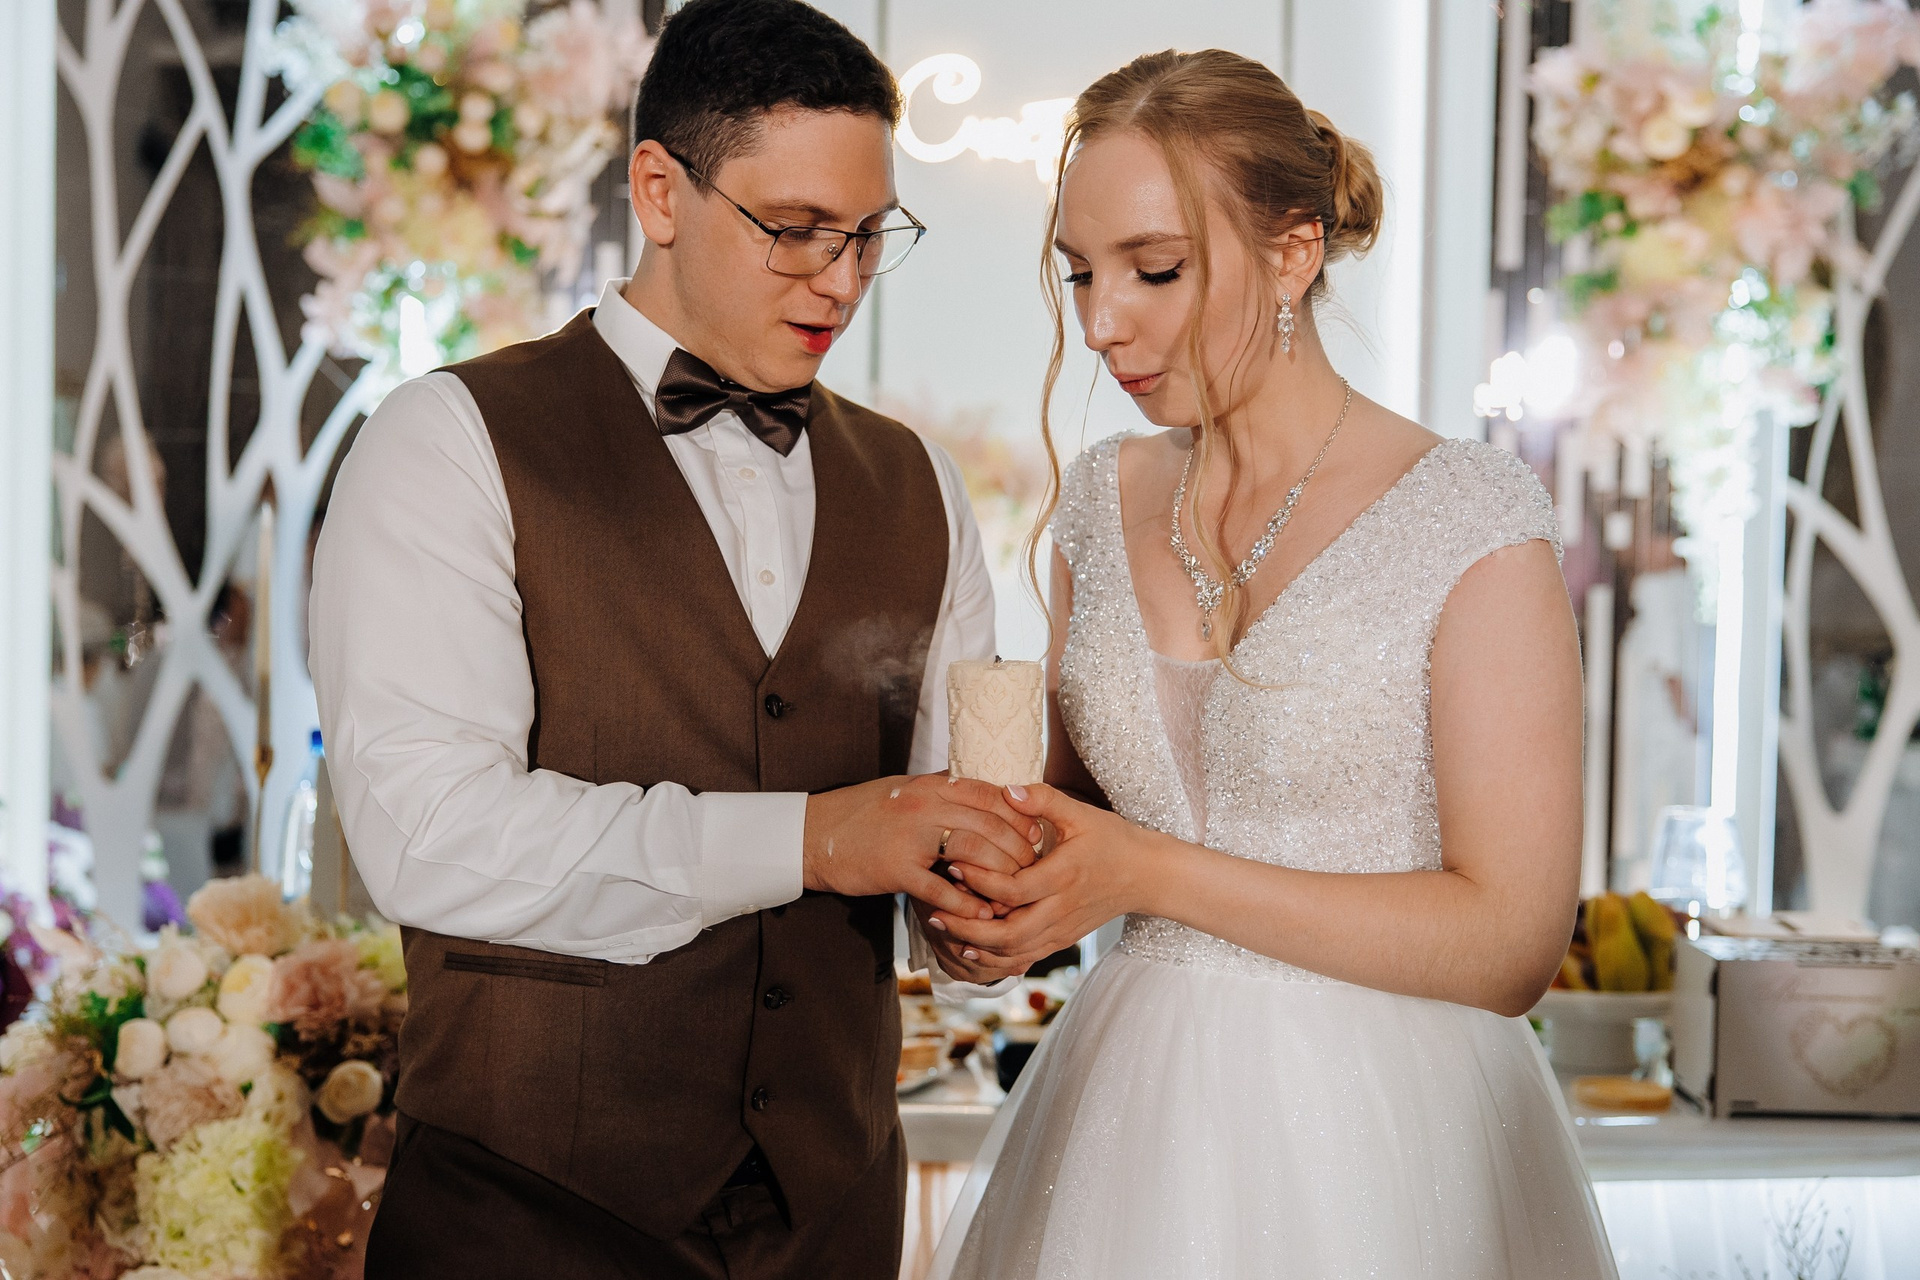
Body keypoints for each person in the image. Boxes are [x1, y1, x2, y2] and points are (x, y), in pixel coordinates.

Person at [309, 3, 1027, 1276]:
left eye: (870, 235)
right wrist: (813, 837)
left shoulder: (917, 482)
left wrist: (974, 919)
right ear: (659, 191)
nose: (842, 280)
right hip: (524, 1219)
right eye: (796, 230)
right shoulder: (448, 441)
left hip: (832, 1218)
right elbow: (430, 836)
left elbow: (936, 829)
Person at [924, 50, 1619, 1278]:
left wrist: (1145, 871)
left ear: (1295, 252)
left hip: (1385, 1129)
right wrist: (1000, 904)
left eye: (1155, 269)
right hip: (1125, 1117)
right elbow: (1078, 819)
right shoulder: (1100, 499)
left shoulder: (1468, 516)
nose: (1101, 322)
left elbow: (1513, 941)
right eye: (1080, 272)